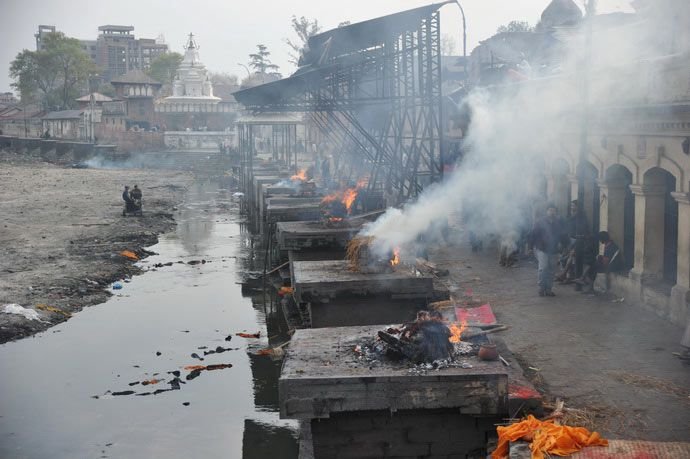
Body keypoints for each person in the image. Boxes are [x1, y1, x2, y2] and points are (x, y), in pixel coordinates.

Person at [529, 203, 563, 297]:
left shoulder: (558, 222)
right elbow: (533, 234)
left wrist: (564, 245)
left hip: (554, 249)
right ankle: (541, 288)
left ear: (556, 212)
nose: (552, 212)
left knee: (552, 270)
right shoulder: (540, 222)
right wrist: (530, 247)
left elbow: (562, 235)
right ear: (547, 211)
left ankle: (549, 289)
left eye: (554, 210)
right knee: (543, 268)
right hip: (542, 248)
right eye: (550, 210)